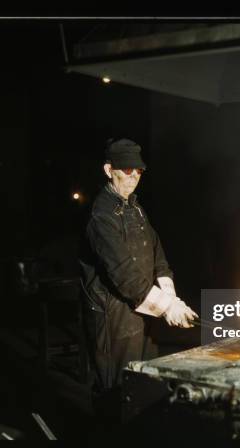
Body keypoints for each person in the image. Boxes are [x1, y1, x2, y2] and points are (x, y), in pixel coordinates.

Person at [79, 138, 198, 397]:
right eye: (127, 170)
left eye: (139, 171)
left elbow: (157, 255)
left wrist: (172, 298)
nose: (134, 176)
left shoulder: (135, 207)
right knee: (117, 387)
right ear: (109, 170)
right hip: (113, 315)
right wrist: (166, 307)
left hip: (143, 309)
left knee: (143, 381)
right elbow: (123, 273)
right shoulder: (100, 216)